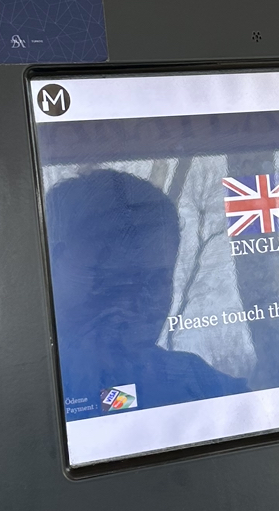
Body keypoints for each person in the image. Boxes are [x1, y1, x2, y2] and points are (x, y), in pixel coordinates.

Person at [45, 168, 246, 420]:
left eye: (157, 281)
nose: (137, 303)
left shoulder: (193, 383)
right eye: (114, 281)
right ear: (56, 267)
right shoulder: (36, 393)